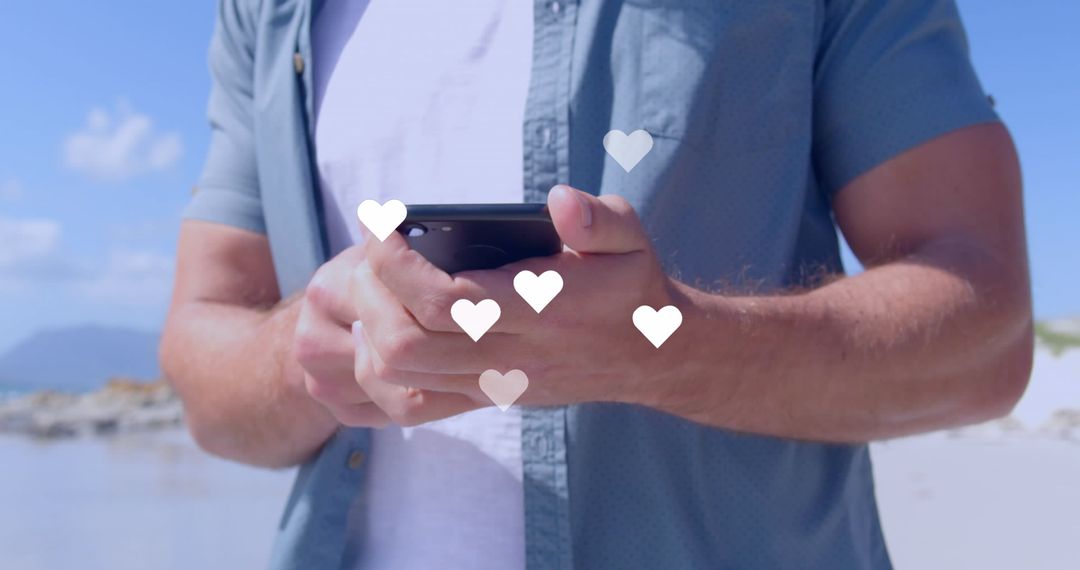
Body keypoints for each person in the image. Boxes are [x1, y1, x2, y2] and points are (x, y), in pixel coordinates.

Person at [160, 0, 1033, 568]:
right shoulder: (264, 18)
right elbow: (205, 380)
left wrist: (663, 350)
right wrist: (311, 348)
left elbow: (985, 341)